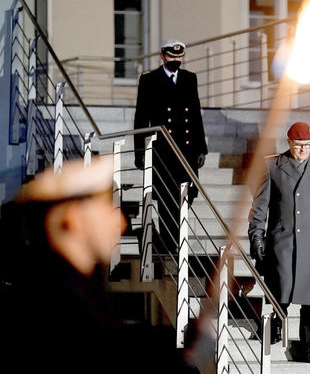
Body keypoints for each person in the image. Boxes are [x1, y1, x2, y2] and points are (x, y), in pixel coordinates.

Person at [0, 158, 196, 373]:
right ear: (74, 218)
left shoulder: (76, 287)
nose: (121, 222)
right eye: (107, 206)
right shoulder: (54, 305)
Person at [248, 122, 310, 364]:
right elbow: (260, 207)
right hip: (283, 238)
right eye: (299, 145)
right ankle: (272, 328)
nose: (304, 150)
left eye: (308, 145)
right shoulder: (273, 165)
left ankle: (306, 347)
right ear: (289, 143)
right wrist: (256, 236)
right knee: (281, 291)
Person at [133, 39, 208, 253]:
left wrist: (201, 148)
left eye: (179, 57)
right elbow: (141, 118)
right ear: (163, 56)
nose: (176, 60)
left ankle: (172, 236)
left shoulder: (189, 78)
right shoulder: (150, 80)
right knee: (165, 196)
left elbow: (195, 114)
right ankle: (170, 242)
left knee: (190, 193)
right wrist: (140, 153)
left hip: (187, 149)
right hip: (163, 151)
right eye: (172, 56)